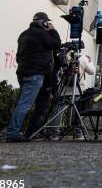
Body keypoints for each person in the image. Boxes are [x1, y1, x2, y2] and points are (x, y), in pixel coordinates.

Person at [6, 12, 61, 142]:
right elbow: (56, 44)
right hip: (35, 74)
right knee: (24, 104)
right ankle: (12, 133)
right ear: (43, 22)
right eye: (47, 22)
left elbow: (19, 56)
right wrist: (53, 30)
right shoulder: (42, 34)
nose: (48, 24)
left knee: (24, 103)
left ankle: (29, 131)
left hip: (23, 72)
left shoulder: (24, 34)